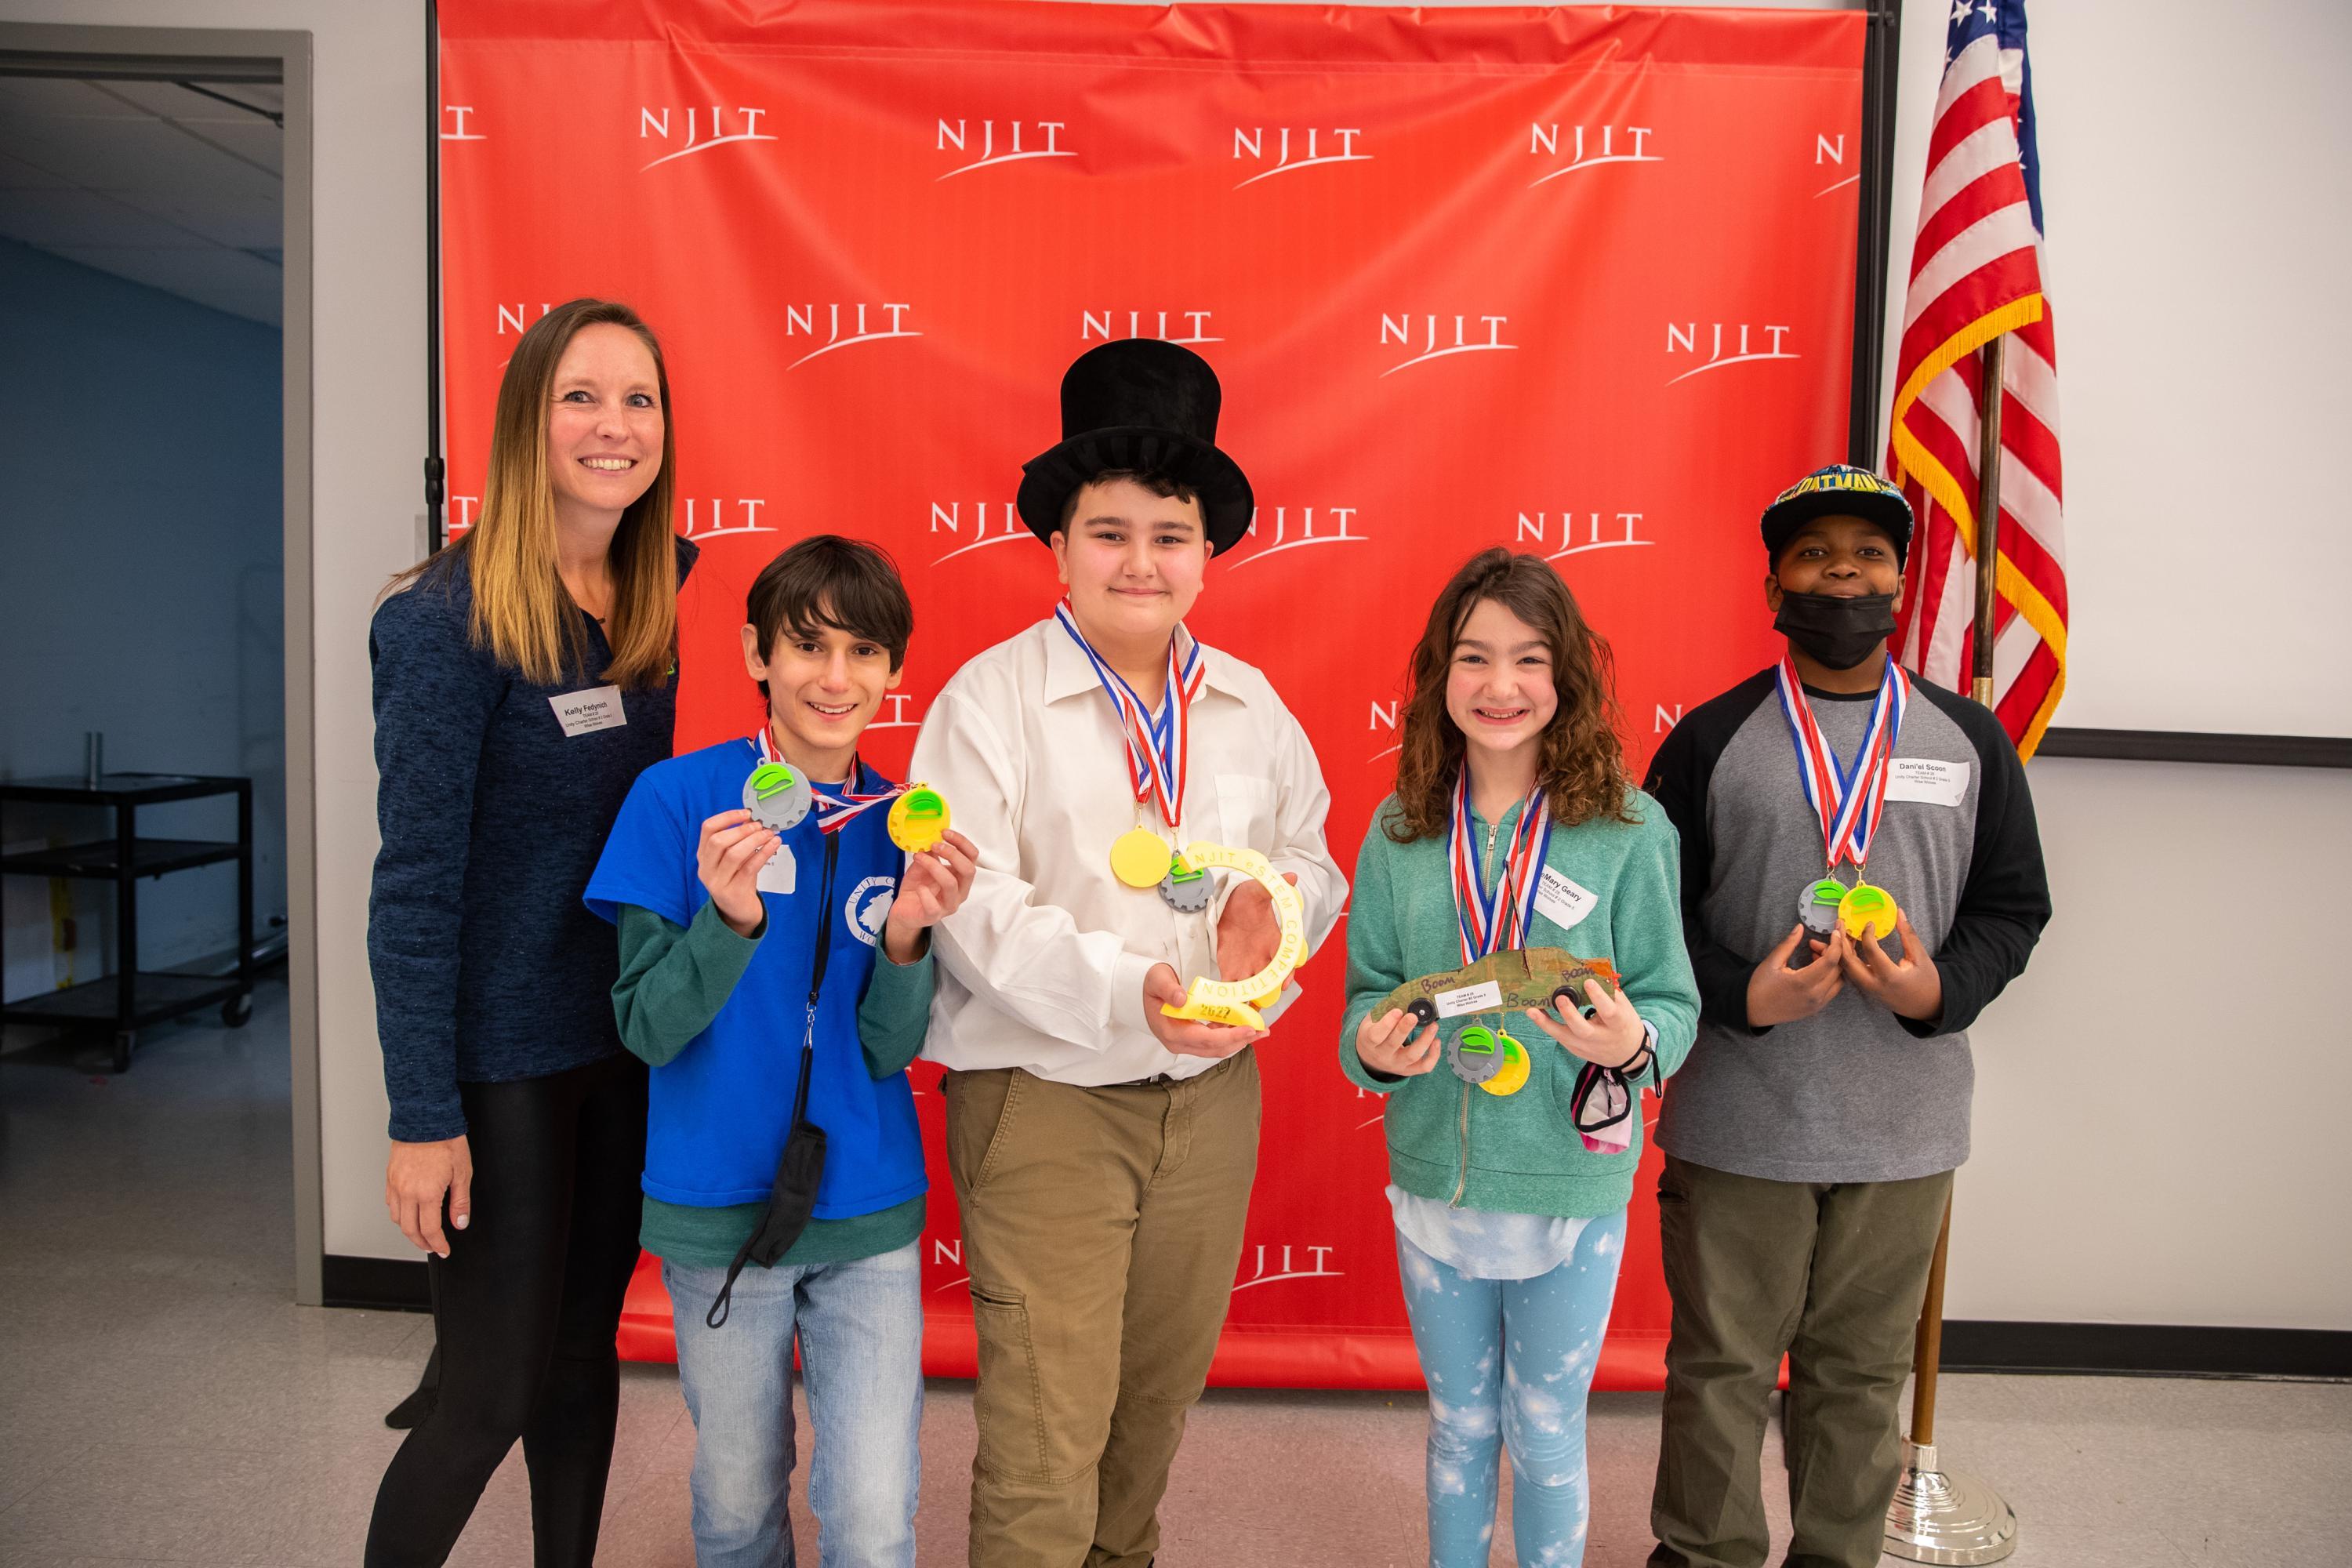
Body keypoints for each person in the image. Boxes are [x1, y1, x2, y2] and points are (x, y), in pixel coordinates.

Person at [906, 339, 1347, 1568]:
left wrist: (1277, 917)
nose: (1140, 561)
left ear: (1208, 554)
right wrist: (1134, 993)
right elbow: (977, 910)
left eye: (1170, 533)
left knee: (1149, 1418)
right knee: (1049, 1434)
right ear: (1057, 548)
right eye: (1109, 533)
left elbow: (1310, 855)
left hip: (1211, 1101)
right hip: (1046, 1101)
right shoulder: (987, 703)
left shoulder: (1253, 706)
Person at [1641, 465, 2051, 1568]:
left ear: (1901, 582)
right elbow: (1653, 914)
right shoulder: (1712, 739)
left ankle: (1837, 1555)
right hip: (1740, 1112)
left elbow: (2016, 907)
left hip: (1902, 1123)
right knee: (1722, 1365)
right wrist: (1741, 993)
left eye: (1868, 555)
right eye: (1815, 552)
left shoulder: (1969, 740)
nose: (1842, 574)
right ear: (1775, 578)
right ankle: (1703, 1555)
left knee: (1862, 1370)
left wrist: (1938, 992)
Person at [363, 299, 696, 1566]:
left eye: (638, 400)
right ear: (525, 420)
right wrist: (419, 1116)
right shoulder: (441, 622)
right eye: (580, 397)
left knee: (576, 1362)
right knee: (485, 1391)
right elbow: (415, 887)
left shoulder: (659, 590)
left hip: (615, 1038)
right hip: (496, 1058)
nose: (613, 426)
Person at [582, 535, 976, 1567]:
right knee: (735, 1502)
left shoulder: (907, 824)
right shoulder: (676, 803)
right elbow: (647, 1027)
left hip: (866, 1208)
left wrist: (906, 939)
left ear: (895, 670)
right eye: (807, 647)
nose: (835, 679)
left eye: (862, 653)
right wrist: (728, 919)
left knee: (873, 1515)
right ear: (757, 655)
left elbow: (890, 1054)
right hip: (717, 1208)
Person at [1340, 549, 1700, 1567]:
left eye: (1529, 660)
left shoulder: (1630, 832)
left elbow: (1673, 1003)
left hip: (1571, 1185)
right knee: (1459, 1427)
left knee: (1546, 1433)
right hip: (1437, 1181)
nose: (1500, 686)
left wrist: (1633, 1044)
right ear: (1438, 677)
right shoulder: (1402, 829)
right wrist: (1374, 1052)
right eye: (1474, 658)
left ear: (1567, 678)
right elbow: (1368, 997)